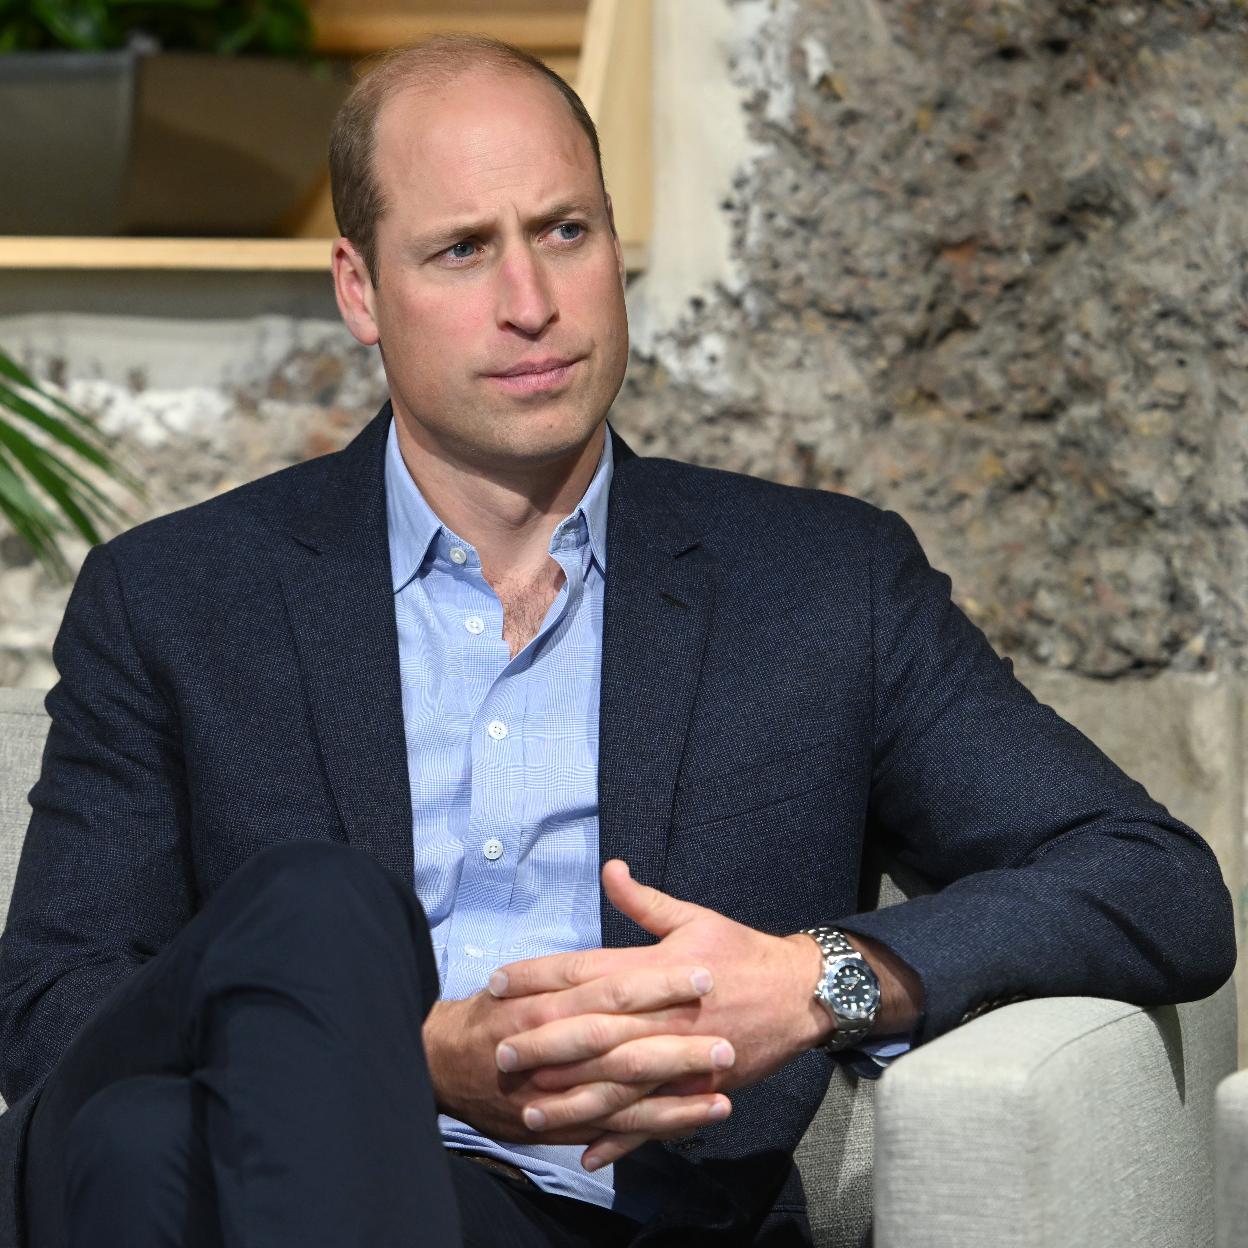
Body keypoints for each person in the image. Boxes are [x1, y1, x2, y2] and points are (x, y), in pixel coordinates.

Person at [0, 32, 1234, 1248]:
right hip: (244, 1162)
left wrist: (817, 979)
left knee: (141, 1147)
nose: (530, 305)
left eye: (564, 232)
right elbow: (54, 1005)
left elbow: (1152, 880)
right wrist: (398, 1056)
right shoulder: (178, 597)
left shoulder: (817, 586)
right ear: (360, 290)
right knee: (306, 926)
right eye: (463, 250)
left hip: (581, 1217)